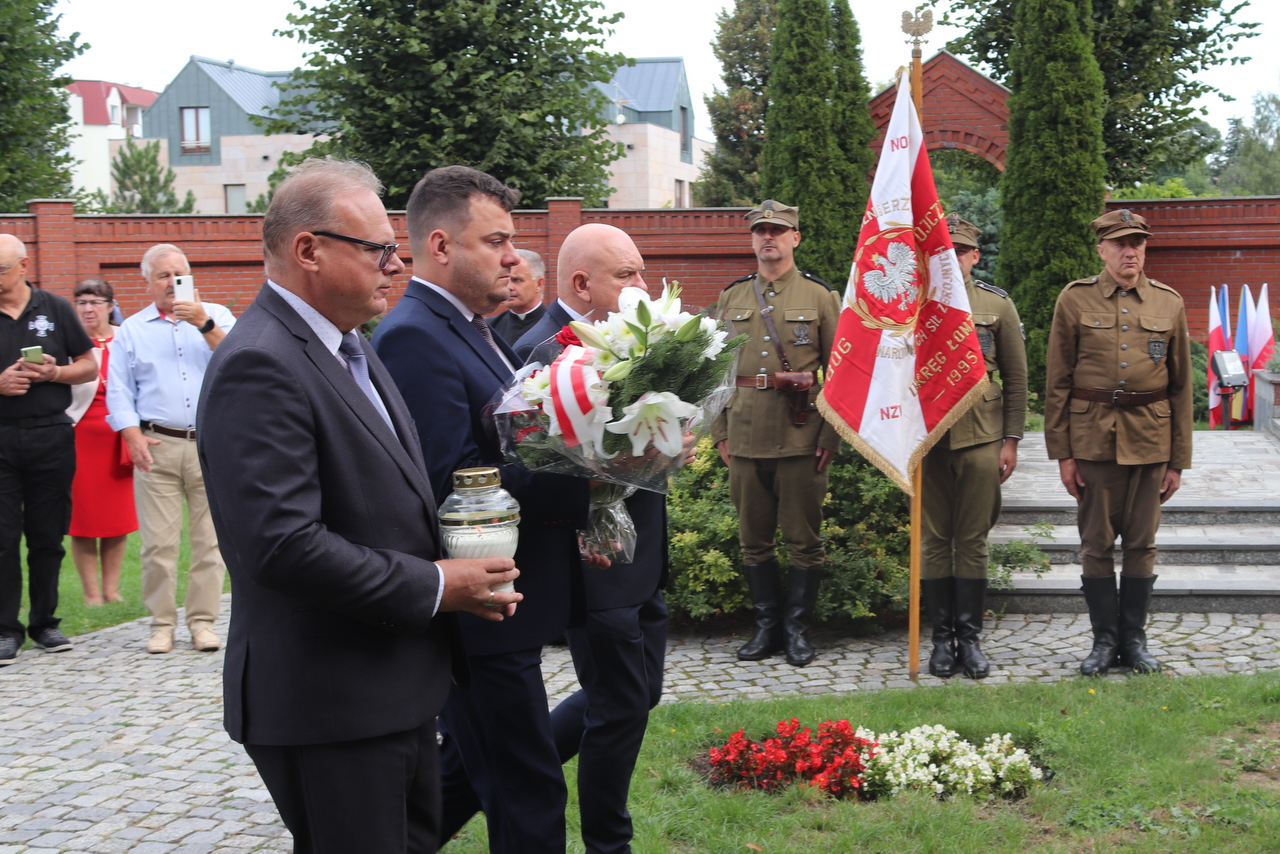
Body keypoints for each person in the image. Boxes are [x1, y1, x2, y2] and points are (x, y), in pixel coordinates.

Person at [197, 158, 520, 854]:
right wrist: (437, 585)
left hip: (389, 685)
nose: (395, 266)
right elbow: (281, 544)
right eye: (376, 250)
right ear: (308, 250)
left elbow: (391, 496)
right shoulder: (261, 362)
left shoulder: (351, 346)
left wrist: (466, 553)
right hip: (327, 701)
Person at [371, 165, 588, 854]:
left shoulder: (470, 327)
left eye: (512, 241)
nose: (511, 256)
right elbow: (455, 483)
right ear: (441, 245)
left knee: (482, 774)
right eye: (495, 241)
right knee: (527, 793)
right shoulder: (415, 335)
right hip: (478, 606)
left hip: (502, 601)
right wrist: (595, 474)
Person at [514, 223, 669, 854]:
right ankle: (610, 844)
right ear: (582, 284)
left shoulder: (641, 341)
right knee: (621, 703)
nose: (644, 286)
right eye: (627, 274)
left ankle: (509, 761)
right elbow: (532, 463)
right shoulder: (542, 350)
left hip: (642, 550)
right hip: (592, 559)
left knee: (640, 692)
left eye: (641, 270)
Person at [1045, 209, 1193, 676]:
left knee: (1142, 544)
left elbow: (1182, 386)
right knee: (1095, 544)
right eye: (1121, 244)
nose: (1131, 252)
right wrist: (1063, 453)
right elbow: (1058, 382)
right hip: (1093, 440)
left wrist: (1178, 460)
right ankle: (1104, 642)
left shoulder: (1168, 303)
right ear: (1102, 249)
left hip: (1151, 438)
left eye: (1138, 243)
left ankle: (1135, 640)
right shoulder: (1074, 299)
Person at [711, 200, 841, 668]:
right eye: (761, 230)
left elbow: (842, 375)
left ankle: (797, 630)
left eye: (778, 230)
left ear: (795, 238)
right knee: (754, 538)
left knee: (803, 538)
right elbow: (717, 371)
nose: (769, 237)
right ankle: (766, 627)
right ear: (752, 239)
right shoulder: (733, 296)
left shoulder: (821, 296)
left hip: (801, 433)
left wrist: (829, 436)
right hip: (744, 433)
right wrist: (719, 428)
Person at [106, 244, 234, 654]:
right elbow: (119, 390)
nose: (171, 283)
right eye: (162, 275)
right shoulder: (132, 330)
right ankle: (161, 624)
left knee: (209, 542)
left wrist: (204, 322)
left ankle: (202, 623)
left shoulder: (217, 316)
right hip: (156, 443)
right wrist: (131, 435)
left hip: (209, 443)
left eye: (178, 274)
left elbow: (239, 360)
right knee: (158, 544)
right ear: (147, 281)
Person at [920, 216, 1027, 679]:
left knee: (973, 541)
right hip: (928, 437)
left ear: (974, 256)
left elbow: (1017, 376)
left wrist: (1012, 440)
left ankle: (971, 638)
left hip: (981, 435)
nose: (954, 259)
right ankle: (941, 641)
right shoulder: (915, 306)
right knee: (933, 541)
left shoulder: (996, 305)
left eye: (961, 252)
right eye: (945, 252)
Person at [0, 234, 97, 665]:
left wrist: (55, 373)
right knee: (2, 539)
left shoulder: (55, 309)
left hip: (51, 435)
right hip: (1, 436)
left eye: (1, 269)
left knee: (47, 534)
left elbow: (88, 365)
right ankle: (5, 629)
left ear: (23, 266)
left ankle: (45, 622)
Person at [67, 278, 138, 606]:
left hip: (118, 438)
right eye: (81, 302)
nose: (88, 309)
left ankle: (111, 590)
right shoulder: (68, 342)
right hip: (79, 439)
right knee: (82, 520)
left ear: (110, 306)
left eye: (95, 302)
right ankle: (91, 593)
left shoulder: (127, 338)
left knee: (117, 519)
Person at [489, 248, 547, 345]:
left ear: (539, 284)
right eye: (506, 279)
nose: (509, 287)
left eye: (517, 280)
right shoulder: (490, 327)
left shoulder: (557, 327)